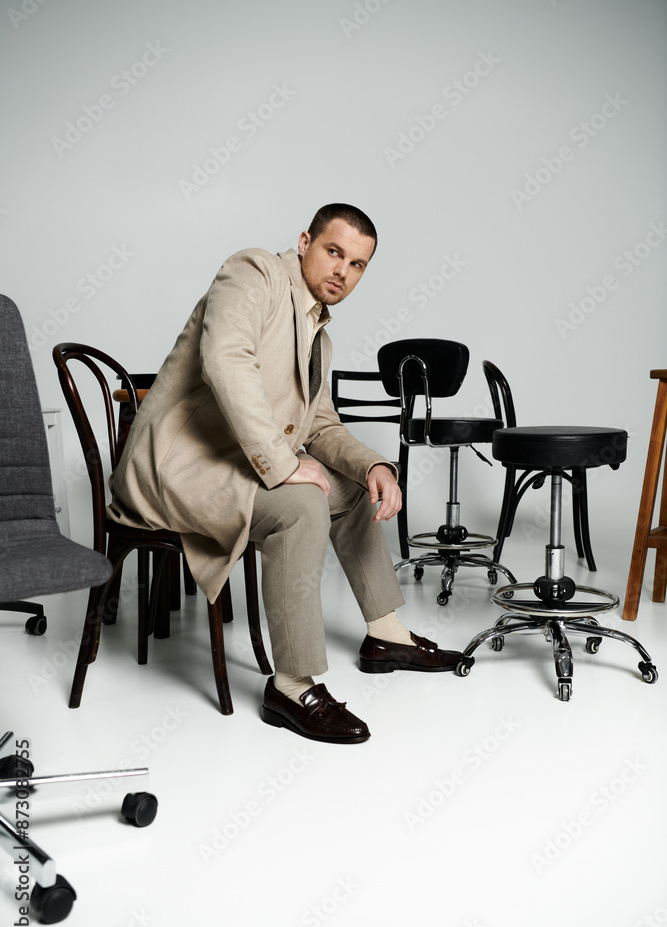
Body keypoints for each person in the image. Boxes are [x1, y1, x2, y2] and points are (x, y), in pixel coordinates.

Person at [108, 203, 462, 744]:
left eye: (358, 264)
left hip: (231, 469)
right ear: (304, 242)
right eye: (334, 252)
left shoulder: (319, 333)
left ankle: (386, 635)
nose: (342, 271)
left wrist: (373, 465)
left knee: (351, 488)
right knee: (301, 504)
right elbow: (226, 359)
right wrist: (285, 464)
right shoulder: (254, 272)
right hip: (174, 470)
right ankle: (292, 685)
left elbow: (321, 425)